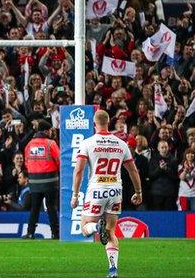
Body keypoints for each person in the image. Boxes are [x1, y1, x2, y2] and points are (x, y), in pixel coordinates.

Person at [71, 110, 142, 278]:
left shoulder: (88, 143)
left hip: (97, 189)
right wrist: (138, 191)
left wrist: (75, 194)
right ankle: (113, 270)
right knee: (111, 232)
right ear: (109, 122)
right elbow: (133, 170)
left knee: (84, 228)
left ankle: (97, 227)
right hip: (116, 190)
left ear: (94, 123)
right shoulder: (121, 144)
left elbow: (79, 170)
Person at [23, 120, 60, 239]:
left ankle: (30, 233)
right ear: (46, 130)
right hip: (50, 181)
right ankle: (55, 233)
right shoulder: (51, 143)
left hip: (34, 182)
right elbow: (59, 160)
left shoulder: (30, 144)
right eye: (50, 130)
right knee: (51, 207)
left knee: (34, 208)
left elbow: (26, 162)